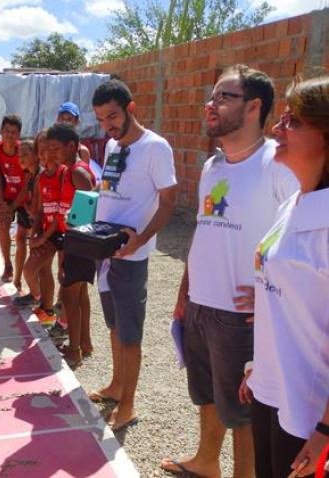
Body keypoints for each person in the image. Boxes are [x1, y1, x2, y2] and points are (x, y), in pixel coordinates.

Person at [162, 65, 298, 478]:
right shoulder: (213, 166)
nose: (210, 105)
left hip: (241, 315)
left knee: (243, 411)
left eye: (224, 97)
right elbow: (204, 234)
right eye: (212, 96)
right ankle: (206, 463)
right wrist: (185, 293)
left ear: (254, 106)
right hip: (202, 305)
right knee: (207, 395)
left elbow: (299, 241)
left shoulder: (280, 164)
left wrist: (274, 293)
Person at [238, 75, 329, 478]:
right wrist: (261, 366)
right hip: (272, 389)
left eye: (293, 122)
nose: (277, 129)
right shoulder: (293, 201)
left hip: (309, 409)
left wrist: (326, 429)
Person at [91, 79, 177, 430]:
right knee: (114, 325)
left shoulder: (156, 148)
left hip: (131, 256)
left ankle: (127, 406)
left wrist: (140, 240)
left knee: (130, 334)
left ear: (131, 108)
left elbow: (169, 201)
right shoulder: (112, 145)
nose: (107, 125)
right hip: (104, 251)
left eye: (112, 116)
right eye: (100, 119)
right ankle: (116, 386)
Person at [50, 122, 96, 369]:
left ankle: (74, 350)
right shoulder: (75, 169)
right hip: (80, 241)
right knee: (80, 295)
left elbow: (92, 204)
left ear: (71, 146)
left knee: (70, 296)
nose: (53, 154)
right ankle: (85, 343)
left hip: (79, 241)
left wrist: (74, 231)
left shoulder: (77, 172)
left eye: (56, 149)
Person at [17, 130, 66, 327]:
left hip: (64, 233)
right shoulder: (40, 178)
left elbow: (61, 212)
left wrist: (42, 237)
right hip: (49, 233)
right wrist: (35, 234)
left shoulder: (64, 173)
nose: (46, 154)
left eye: (50, 149)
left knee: (66, 279)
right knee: (37, 270)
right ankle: (46, 308)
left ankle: (63, 325)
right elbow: (38, 211)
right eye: (42, 150)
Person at [0, 114, 26, 282]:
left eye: (13, 132)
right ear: (1, 131)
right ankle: (8, 265)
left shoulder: (24, 150)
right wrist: (2, 204)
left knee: (22, 237)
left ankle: (19, 275)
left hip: (25, 196)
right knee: (3, 224)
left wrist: (14, 205)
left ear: (19, 135)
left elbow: (28, 181)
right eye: (7, 130)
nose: (9, 134)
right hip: (7, 194)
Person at [11, 139, 38, 292]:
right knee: (20, 239)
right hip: (28, 211)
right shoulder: (29, 174)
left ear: (35, 155)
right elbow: (23, 193)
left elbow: (38, 205)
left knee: (37, 258)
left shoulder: (40, 174)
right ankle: (17, 279)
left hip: (37, 217)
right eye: (19, 154)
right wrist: (13, 207)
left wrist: (31, 211)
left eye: (24, 154)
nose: (20, 158)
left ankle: (37, 296)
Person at [56, 101, 93, 166]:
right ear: (58, 120)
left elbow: (83, 174)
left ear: (77, 122)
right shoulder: (50, 147)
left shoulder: (82, 152)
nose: (65, 122)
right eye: (62, 119)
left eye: (69, 119)